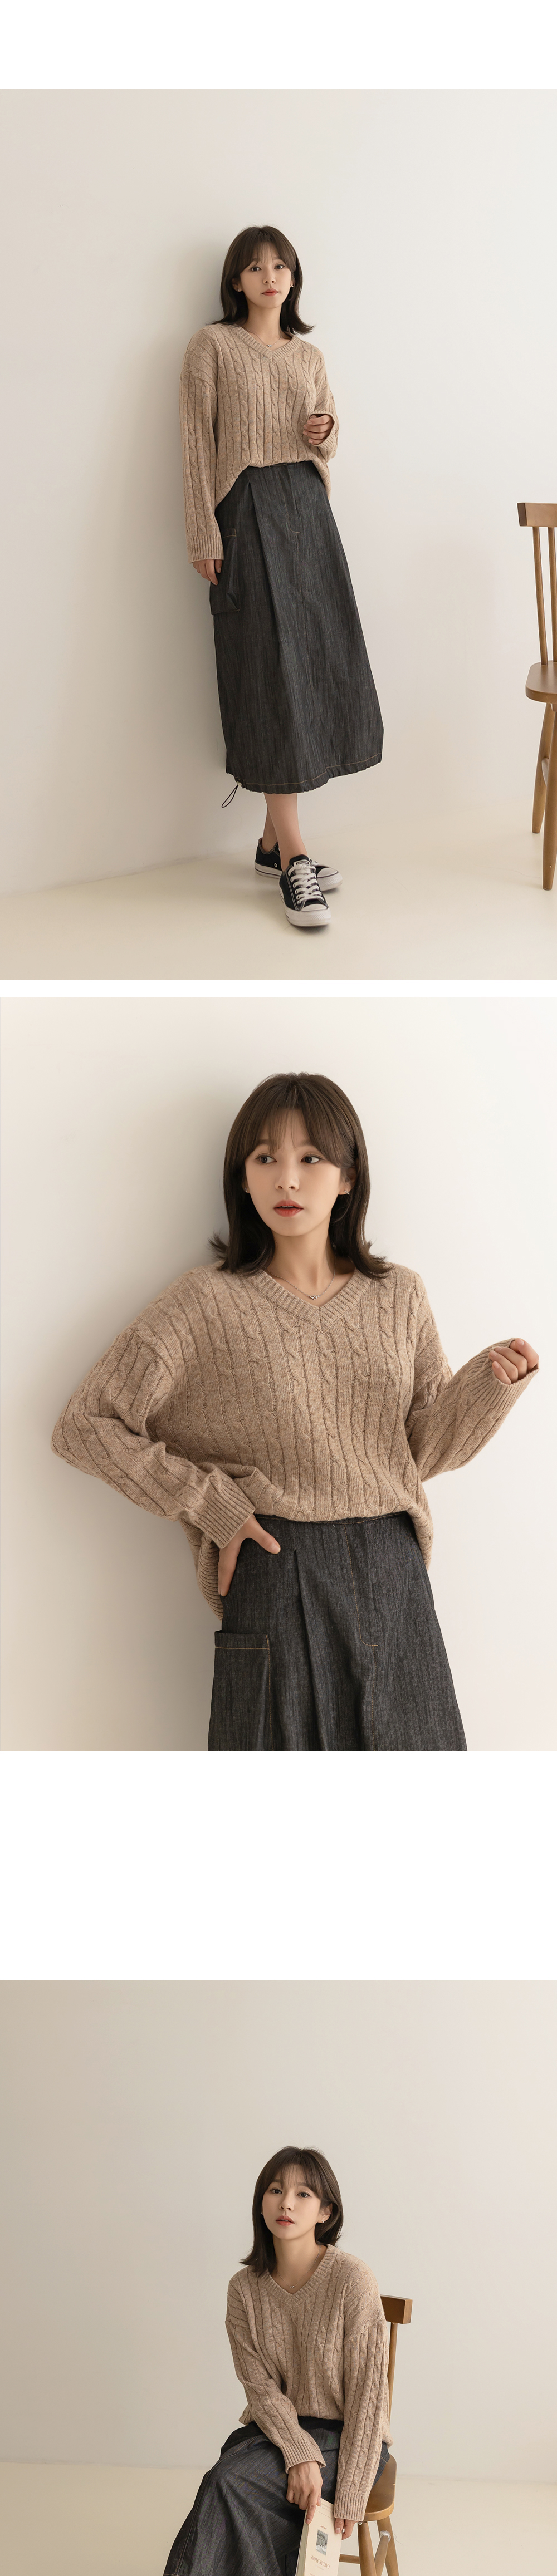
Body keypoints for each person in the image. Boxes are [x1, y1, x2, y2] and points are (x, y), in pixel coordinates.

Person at [52, 1069, 539, 1754]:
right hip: (277, 1566)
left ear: (347, 1177)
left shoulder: (400, 1295)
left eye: (311, 1158)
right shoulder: (204, 1302)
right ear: (242, 1177)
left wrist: (487, 1386)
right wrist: (213, 1505)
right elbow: (85, 1425)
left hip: (393, 1570)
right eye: (265, 1158)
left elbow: (419, 1451)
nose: (287, 1179)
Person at [63, 2145, 393, 2576]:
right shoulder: (245, 2290)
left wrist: (347, 2494)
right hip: (280, 2433)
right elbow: (260, 2390)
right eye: (275, 2189)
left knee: (229, 2493)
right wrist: (296, 2450)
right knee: (230, 2488)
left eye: (302, 2193)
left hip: (348, 2440)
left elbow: (370, 2398)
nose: (286, 2203)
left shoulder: (352, 2279)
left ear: (326, 2210)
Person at [180, 225, 383, 931]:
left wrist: (325, 432)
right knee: (269, 673)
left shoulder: (309, 355)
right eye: (254, 266)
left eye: (280, 265)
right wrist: (202, 531)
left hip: (307, 510)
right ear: (235, 280)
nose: (269, 276)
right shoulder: (211, 347)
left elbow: (326, 435)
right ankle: (295, 856)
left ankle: (273, 845)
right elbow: (194, 440)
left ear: (294, 278)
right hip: (244, 512)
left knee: (317, 666)